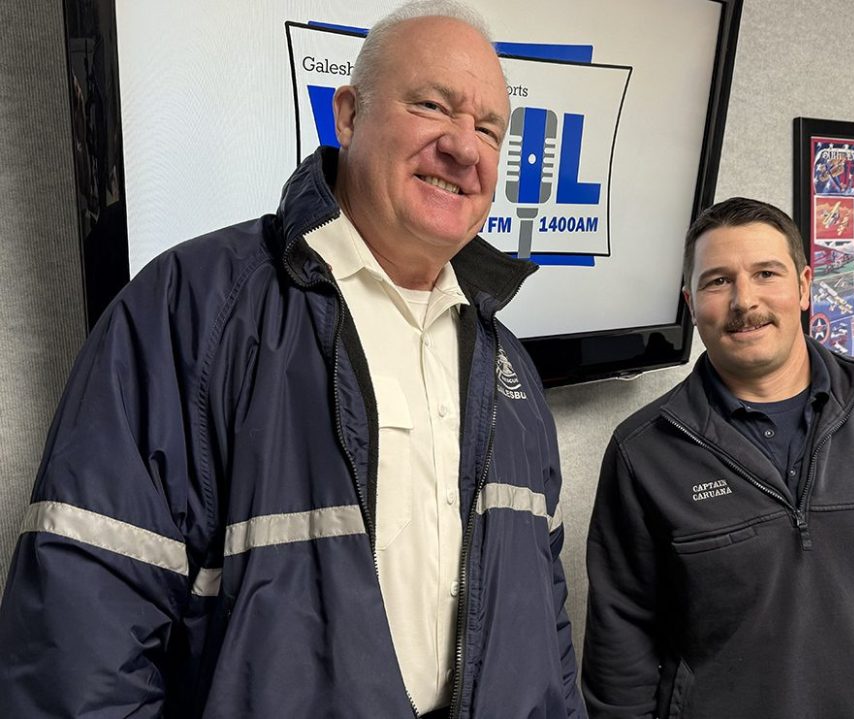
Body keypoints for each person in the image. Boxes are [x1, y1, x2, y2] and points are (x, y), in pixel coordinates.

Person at [0, 3, 585, 717]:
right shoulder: (192, 309)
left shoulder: (510, 365)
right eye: (432, 106)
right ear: (348, 115)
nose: (464, 147)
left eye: (489, 128)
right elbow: (78, 637)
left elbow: (547, 622)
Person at [582, 197, 854, 718]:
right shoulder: (645, 451)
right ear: (691, 302)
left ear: (805, 286)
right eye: (717, 281)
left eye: (766, 273)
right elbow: (620, 647)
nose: (745, 300)